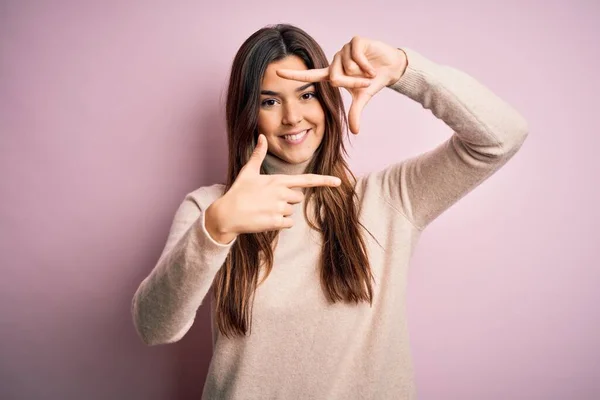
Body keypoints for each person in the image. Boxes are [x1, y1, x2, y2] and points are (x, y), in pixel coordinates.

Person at [131, 24, 528, 399]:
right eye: (270, 101)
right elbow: (154, 327)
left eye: (306, 95)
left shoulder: (390, 198)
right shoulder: (211, 208)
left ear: (326, 100)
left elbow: (502, 137)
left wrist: (406, 70)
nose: (292, 117)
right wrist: (216, 229)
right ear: (247, 115)